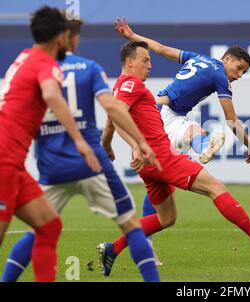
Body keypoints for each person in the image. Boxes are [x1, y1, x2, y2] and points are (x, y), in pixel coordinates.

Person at [97, 41, 250, 277]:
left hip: (152, 160)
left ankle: (112, 249)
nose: (150, 65)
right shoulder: (133, 84)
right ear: (130, 62)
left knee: (166, 218)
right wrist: (135, 145)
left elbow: (114, 115)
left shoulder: (122, 85)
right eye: (145, 60)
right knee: (216, 188)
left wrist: (108, 143)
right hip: (161, 156)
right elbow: (116, 113)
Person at [1, 18, 161, 282]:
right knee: (131, 225)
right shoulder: (89, 68)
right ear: (70, 39)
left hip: (52, 166)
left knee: (40, 230)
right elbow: (112, 107)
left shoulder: (32, 68)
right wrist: (139, 142)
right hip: (91, 163)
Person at [0, 6, 102, 282]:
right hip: (4, 162)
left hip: (12, 164)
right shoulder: (46, 65)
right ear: (61, 37)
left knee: (49, 225)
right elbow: (52, 96)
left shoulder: (25, 57)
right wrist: (79, 141)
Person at [113, 17, 250, 165]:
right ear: (227, 58)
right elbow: (232, 120)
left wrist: (132, 36)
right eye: (239, 68)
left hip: (163, 109)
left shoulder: (197, 58)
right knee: (177, 152)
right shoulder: (221, 77)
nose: (239, 75)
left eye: (244, 72)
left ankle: (206, 148)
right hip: (163, 113)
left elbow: (162, 49)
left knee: (194, 132)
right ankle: (205, 148)